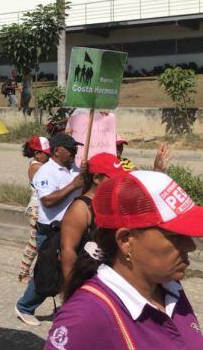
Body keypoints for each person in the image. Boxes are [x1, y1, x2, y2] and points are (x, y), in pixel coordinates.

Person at [44, 170, 203, 350]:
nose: (190, 245)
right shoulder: (85, 316)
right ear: (125, 240)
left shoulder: (170, 287)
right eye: (175, 237)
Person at [15, 133, 84, 326]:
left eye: (75, 149)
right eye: (70, 149)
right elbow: (48, 200)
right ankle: (24, 307)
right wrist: (73, 185)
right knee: (47, 272)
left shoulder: (74, 170)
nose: (74, 152)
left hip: (72, 230)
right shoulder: (45, 172)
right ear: (56, 151)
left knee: (74, 270)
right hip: (51, 231)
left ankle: (70, 304)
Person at [60, 153, 127, 290]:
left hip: (109, 280)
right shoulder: (80, 208)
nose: (118, 183)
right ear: (96, 178)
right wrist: (72, 293)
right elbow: (67, 250)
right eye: (113, 178)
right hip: (88, 283)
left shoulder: (110, 203)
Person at [17, 136, 50, 283]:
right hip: (37, 208)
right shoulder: (36, 167)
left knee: (41, 242)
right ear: (37, 153)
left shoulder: (41, 164)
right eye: (46, 153)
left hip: (42, 208)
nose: (49, 156)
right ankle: (23, 273)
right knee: (34, 242)